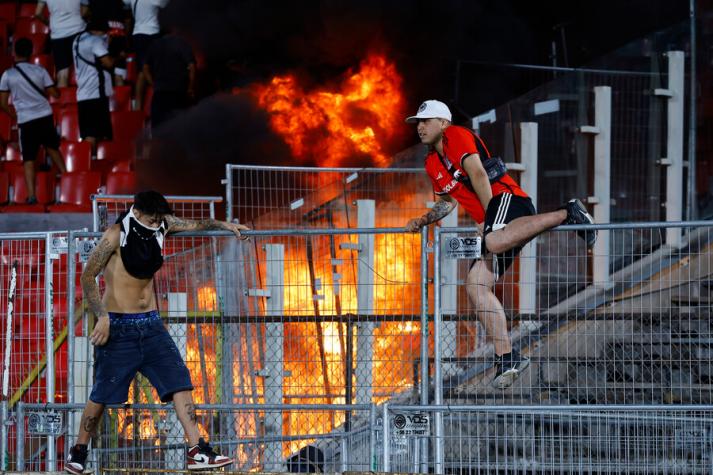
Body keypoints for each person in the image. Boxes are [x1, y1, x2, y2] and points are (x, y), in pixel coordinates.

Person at [404, 100, 596, 389]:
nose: (419, 127)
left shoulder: (455, 135)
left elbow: (479, 175)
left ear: (443, 122)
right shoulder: (431, 163)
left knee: (493, 240)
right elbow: (447, 202)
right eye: (417, 123)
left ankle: (567, 212)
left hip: (508, 201)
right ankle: (508, 356)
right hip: (496, 223)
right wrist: (424, 219)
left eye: (426, 121)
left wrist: (491, 221)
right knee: (475, 286)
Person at [65, 190, 248, 474]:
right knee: (102, 393)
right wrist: (101, 316)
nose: (156, 224)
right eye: (151, 219)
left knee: (179, 381)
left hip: (151, 325)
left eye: (159, 219)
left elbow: (195, 224)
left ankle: (197, 449)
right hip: (118, 326)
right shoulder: (116, 234)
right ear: (136, 213)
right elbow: (88, 275)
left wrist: (225, 225)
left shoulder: (162, 224)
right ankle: (79, 451)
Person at [0, 38, 67, 204]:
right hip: (44, 115)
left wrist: (15, 115)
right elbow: (55, 94)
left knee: (29, 158)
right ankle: (66, 181)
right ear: (31, 53)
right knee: (52, 149)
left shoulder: (8, 75)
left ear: (14, 52)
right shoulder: (40, 71)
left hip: (26, 120)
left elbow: (2, 103)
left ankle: (31, 195)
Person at [73, 18, 114, 149]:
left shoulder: (76, 40)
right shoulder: (95, 41)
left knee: (88, 134)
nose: (105, 36)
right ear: (96, 31)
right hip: (96, 93)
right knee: (97, 135)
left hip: (83, 94)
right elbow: (108, 63)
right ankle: (93, 164)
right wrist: (119, 55)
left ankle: (88, 163)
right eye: (104, 33)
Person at [143, 27, 195, 129]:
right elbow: (192, 67)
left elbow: (145, 68)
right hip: (179, 93)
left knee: (159, 131)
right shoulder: (182, 43)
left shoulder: (154, 44)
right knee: (180, 129)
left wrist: (153, 83)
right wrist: (190, 88)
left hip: (160, 94)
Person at [124, 0, 170, 109]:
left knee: (142, 71)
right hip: (152, 34)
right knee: (154, 69)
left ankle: (138, 107)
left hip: (137, 34)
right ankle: (157, 96)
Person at [35, 0, 87, 87]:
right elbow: (84, 12)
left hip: (58, 34)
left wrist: (48, 23)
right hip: (78, 30)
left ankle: (64, 100)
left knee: (62, 75)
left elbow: (38, 13)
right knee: (84, 72)